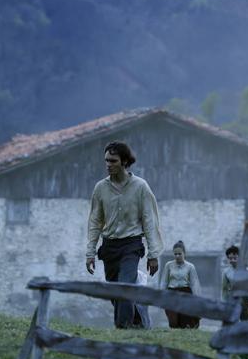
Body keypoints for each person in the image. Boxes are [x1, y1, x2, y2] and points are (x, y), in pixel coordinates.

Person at [85, 141, 164, 329]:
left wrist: (153, 254)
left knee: (125, 287)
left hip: (131, 245)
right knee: (115, 291)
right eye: (106, 161)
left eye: (112, 161)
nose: (108, 165)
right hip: (109, 246)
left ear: (125, 162)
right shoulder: (100, 188)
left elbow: (150, 222)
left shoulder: (141, 187)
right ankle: (139, 317)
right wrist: (90, 252)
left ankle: (123, 328)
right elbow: (95, 221)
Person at [159, 240, 201, 328]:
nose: (177, 256)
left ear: (184, 253)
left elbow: (194, 283)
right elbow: (164, 281)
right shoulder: (169, 265)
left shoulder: (190, 267)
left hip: (185, 293)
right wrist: (161, 296)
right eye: (175, 254)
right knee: (173, 320)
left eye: (179, 254)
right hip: (171, 293)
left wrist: (197, 299)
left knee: (185, 320)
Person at [221, 245, 248, 320]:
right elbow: (224, 289)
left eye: (235, 258)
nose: (232, 260)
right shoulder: (226, 272)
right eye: (230, 258)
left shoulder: (247, 271)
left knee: (247, 323)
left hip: (246, 301)